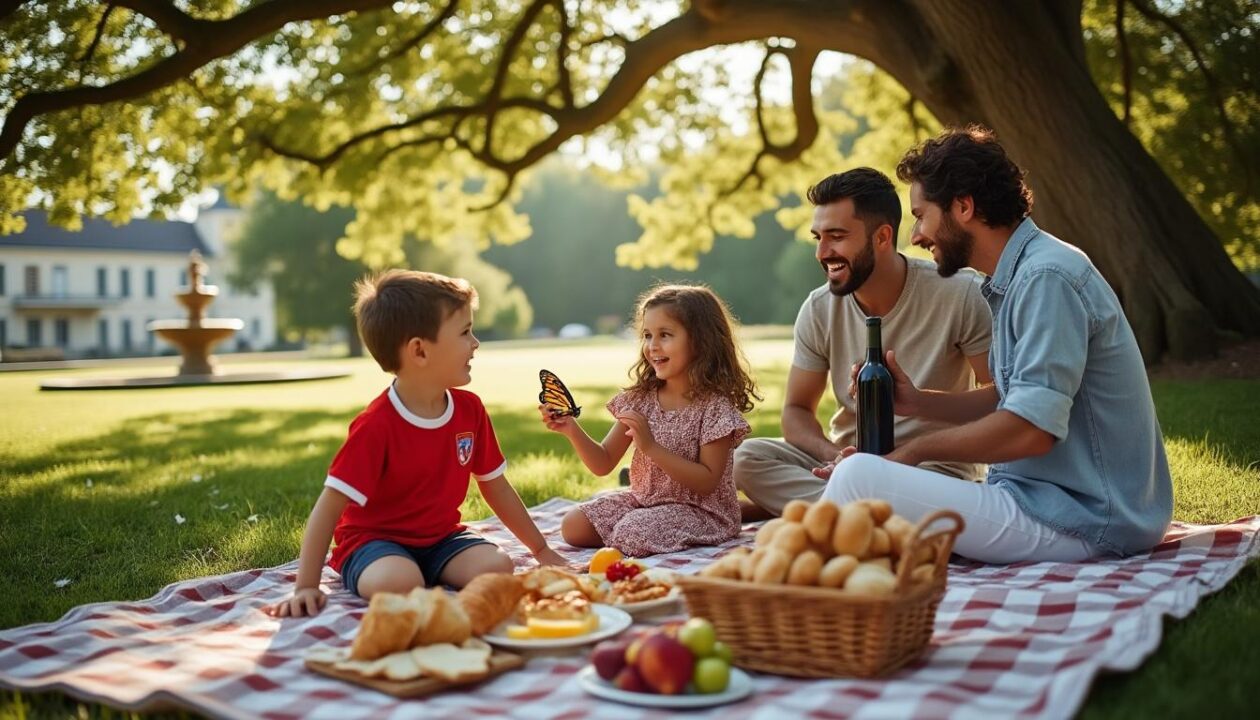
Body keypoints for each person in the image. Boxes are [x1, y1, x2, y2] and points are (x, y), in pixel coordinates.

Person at [820, 125, 1173, 562]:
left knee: (859, 477)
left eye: (921, 215)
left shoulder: (1047, 278)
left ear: (963, 206)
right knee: (863, 477)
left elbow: (1031, 431)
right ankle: (816, 579)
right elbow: (1012, 399)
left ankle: (799, 596)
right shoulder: (1019, 277)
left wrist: (911, 453)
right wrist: (919, 404)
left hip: (1084, 518)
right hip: (1046, 501)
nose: (915, 236)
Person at [272, 270, 568, 618]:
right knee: (399, 582)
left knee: (497, 565)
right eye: (464, 332)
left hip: (440, 539)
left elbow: (496, 486)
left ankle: (426, 572)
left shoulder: (469, 410)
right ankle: (404, 572)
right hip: (373, 542)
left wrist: (542, 549)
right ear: (419, 351)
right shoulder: (376, 425)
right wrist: (306, 585)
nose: (475, 343)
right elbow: (329, 506)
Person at [733, 167, 992, 519]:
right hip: (846, 462)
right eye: (818, 238)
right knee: (747, 458)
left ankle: (829, 513)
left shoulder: (960, 293)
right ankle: (861, 514)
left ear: (882, 237)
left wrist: (919, 405)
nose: (822, 252)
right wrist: (833, 456)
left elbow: (997, 398)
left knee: (924, 493)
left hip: (930, 470)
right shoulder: (819, 308)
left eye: (837, 237)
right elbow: (795, 411)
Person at [540, 284, 758, 556]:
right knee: (574, 525)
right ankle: (633, 534)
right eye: (647, 335)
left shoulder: (714, 409)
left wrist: (651, 447)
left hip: (701, 511)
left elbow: (707, 482)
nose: (652, 346)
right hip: (645, 502)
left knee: (631, 533)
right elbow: (603, 462)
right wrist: (571, 429)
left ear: (701, 341)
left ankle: (731, 516)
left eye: (665, 335)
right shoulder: (640, 399)